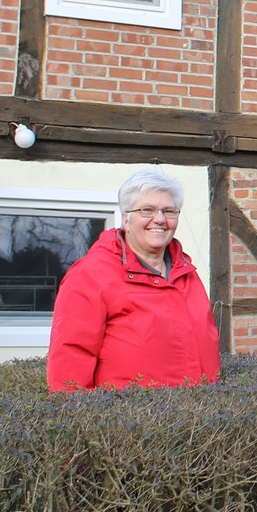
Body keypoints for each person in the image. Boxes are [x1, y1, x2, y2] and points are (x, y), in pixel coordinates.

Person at [47, 166, 219, 392]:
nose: (159, 219)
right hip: (133, 420)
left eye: (169, 211)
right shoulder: (91, 274)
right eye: (147, 210)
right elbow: (71, 357)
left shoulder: (185, 271)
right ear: (126, 219)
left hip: (197, 415)